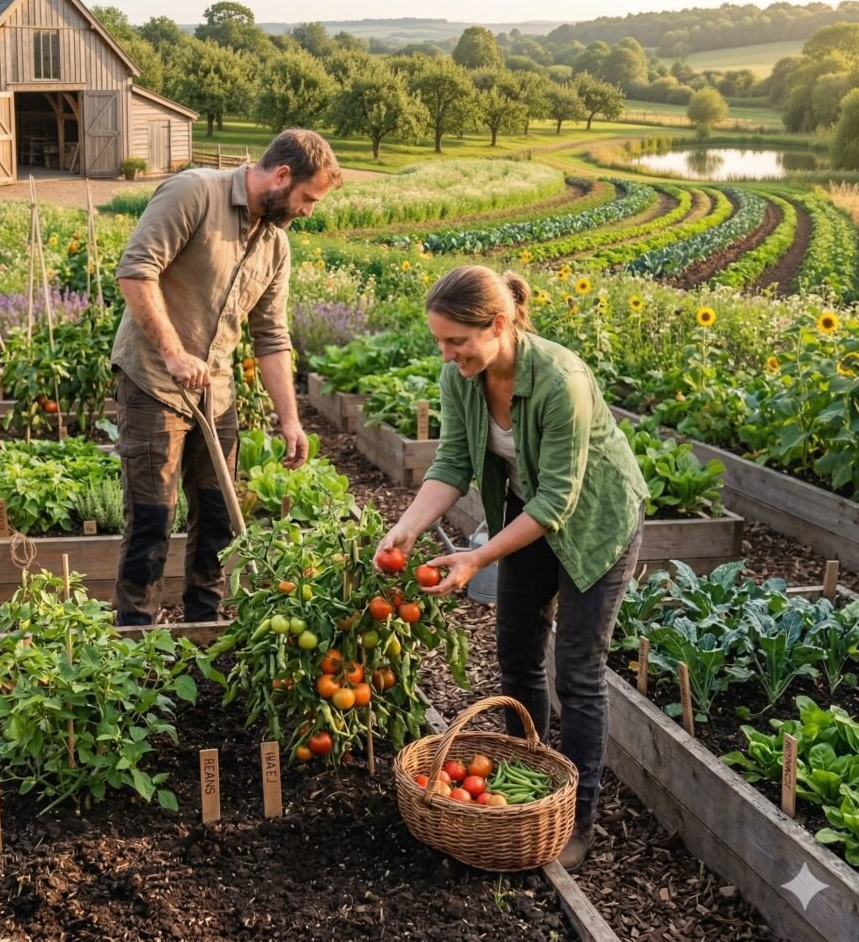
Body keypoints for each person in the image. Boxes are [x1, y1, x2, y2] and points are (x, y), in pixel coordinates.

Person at [375, 265, 648, 870]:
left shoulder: (559, 379)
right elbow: (451, 462)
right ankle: (532, 787)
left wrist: (477, 556)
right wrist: (407, 527)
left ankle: (578, 821)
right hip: (529, 518)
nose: (446, 355)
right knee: (517, 656)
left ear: (498, 324)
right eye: (440, 341)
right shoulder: (462, 377)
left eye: (456, 341)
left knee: (577, 671)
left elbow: (559, 501)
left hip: (596, 524)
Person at [111, 128, 342, 626]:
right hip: (153, 381)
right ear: (282, 176)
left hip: (215, 393)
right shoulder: (194, 192)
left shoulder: (275, 245)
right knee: (152, 520)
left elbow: (272, 337)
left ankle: (204, 627)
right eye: (307, 198)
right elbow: (135, 272)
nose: (308, 211)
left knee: (218, 517)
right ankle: (133, 642)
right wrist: (173, 352)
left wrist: (291, 421)